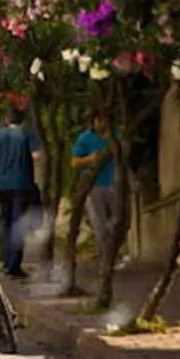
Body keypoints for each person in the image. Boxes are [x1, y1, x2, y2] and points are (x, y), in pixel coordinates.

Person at [0, 106, 43, 279]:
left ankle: (7, 262)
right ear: (22, 119)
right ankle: (14, 267)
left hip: (2, 186)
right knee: (18, 225)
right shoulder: (27, 134)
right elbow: (36, 157)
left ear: (7, 120)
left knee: (7, 224)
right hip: (23, 185)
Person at [71, 109, 118, 266]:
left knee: (118, 223)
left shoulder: (115, 136)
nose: (102, 124)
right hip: (94, 187)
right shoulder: (85, 138)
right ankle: (106, 260)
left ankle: (111, 254)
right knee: (100, 224)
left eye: (105, 121)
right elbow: (75, 162)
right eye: (99, 120)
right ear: (94, 121)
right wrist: (90, 158)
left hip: (115, 184)